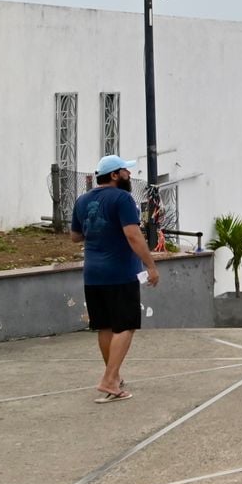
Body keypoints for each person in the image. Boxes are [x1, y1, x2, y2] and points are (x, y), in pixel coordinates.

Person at [70, 154, 157, 403]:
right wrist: (150, 266)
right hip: (120, 273)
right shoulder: (123, 198)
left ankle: (114, 379)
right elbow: (133, 235)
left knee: (106, 326)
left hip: (93, 274)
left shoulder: (83, 200)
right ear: (115, 175)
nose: (130, 174)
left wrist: (99, 231)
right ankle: (109, 379)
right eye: (125, 171)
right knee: (126, 325)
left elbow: (76, 236)